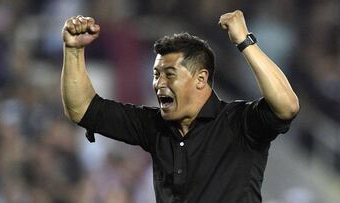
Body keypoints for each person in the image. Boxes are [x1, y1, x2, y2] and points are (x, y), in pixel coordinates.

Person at [61, 10, 300, 203]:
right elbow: (82, 109)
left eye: (170, 74)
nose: (158, 83)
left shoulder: (239, 122)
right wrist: (73, 50)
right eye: (156, 74)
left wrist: (245, 42)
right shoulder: (153, 125)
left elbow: (287, 105)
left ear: (200, 79)